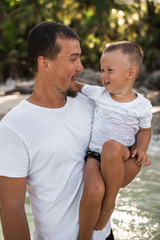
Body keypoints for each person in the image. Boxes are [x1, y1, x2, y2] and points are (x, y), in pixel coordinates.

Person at [0, 21, 117, 240]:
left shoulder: (90, 105)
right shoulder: (13, 127)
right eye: (73, 59)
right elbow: (11, 207)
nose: (81, 67)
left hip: (104, 235)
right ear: (45, 64)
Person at [77, 41, 152, 240]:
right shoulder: (99, 94)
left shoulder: (142, 105)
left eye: (110, 70)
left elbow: (145, 130)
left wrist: (142, 149)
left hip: (122, 153)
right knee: (93, 190)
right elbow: (75, 86)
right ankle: (84, 236)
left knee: (110, 146)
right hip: (94, 155)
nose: (103, 75)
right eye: (102, 69)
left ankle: (109, 203)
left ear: (130, 73)